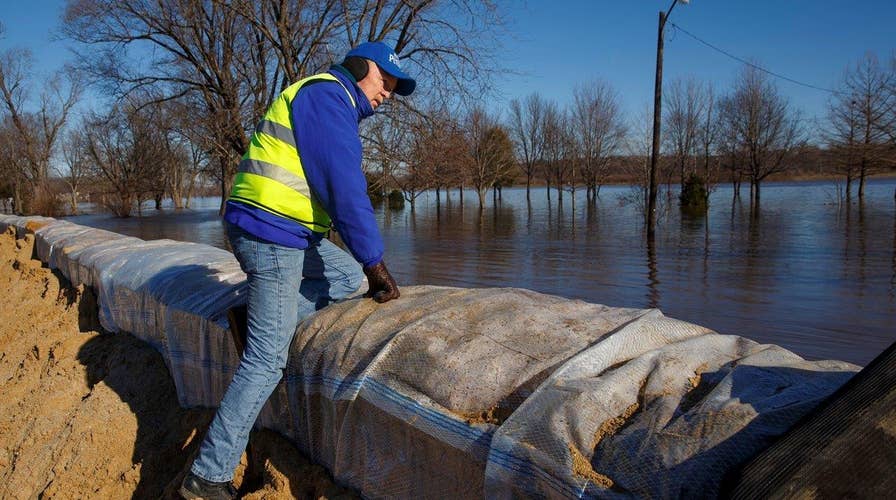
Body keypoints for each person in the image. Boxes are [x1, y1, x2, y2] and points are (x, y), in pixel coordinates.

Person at [180, 41, 415, 500]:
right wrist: (376, 261)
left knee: (346, 280)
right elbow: (344, 190)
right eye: (385, 82)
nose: (388, 94)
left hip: (287, 231)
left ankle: (254, 318)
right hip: (272, 232)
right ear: (363, 68)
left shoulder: (328, 101)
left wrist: (362, 268)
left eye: (393, 89)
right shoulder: (328, 97)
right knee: (268, 358)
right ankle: (207, 475)